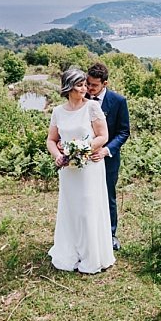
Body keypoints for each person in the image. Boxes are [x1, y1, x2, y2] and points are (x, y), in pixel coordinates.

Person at [47, 67, 115, 273]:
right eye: (80, 85)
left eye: (85, 84)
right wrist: (59, 156)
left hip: (89, 167)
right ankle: (71, 251)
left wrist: (83, 149)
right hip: (69, 170)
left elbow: (103, 136)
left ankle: (91, 254)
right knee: (71, 208)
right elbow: (51, 140)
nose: (85, 88)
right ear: (68, 87)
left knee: (87, 209)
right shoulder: (58, 112)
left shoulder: (92, 108)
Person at [86, 62, 130, 251]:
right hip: (85, 157)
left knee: (108, 194)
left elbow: (123, 132)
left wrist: (106, 150)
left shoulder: (118, 101)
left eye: (94, 85)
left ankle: (110, 234)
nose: (89, 88)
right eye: (88, 83)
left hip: (109, 158)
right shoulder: (82, 98)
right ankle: (88, 232)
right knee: (86, 195)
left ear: (105, 83)